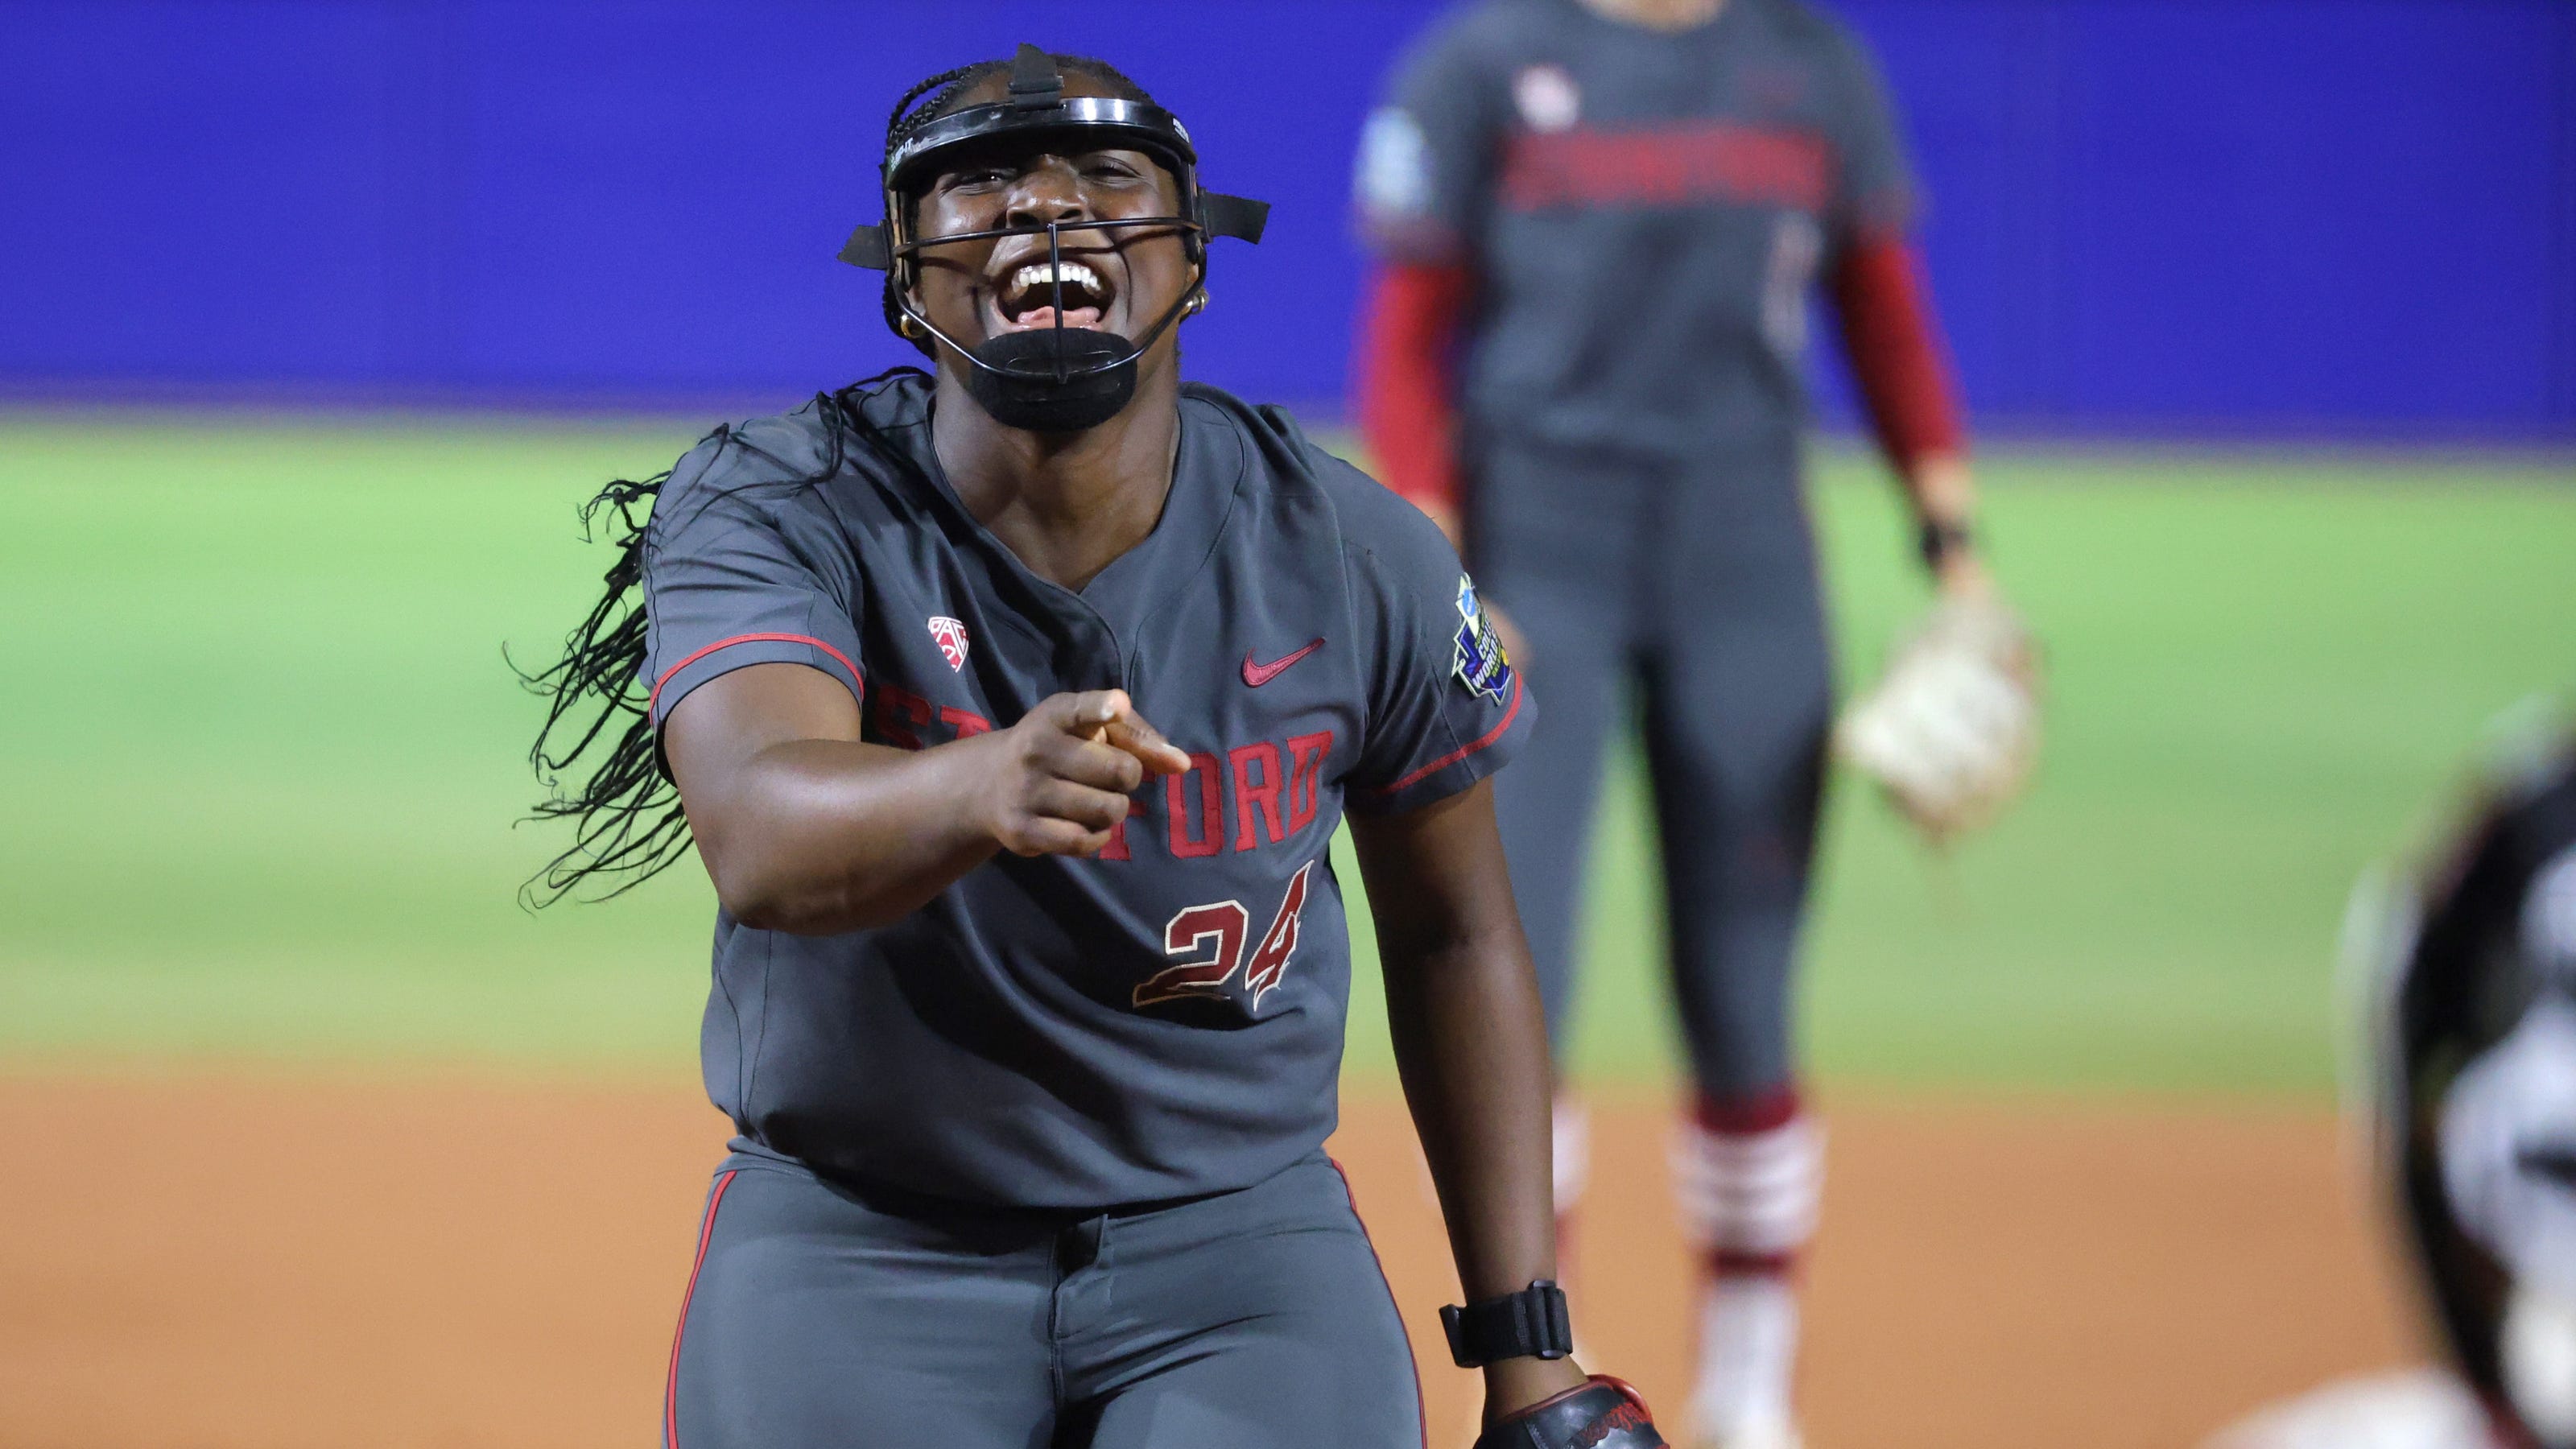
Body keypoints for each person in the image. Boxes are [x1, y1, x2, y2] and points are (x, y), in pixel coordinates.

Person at [523, 46, 1669, 1449]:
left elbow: (1457, 937)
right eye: (979, 184)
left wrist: (1528, 1358)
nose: (1045, 210)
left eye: (1107, 178)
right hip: (860, 1234)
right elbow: (760, 837)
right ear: (903, 270)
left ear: (1193, 254)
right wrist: (979, 782)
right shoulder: (782, 501)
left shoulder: (1353, 552)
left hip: (1239, 1248)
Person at [1352, 2, 2021, 1445]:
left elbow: (1885, 310)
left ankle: (1752, 1390)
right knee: (1515, 985)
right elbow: (1408, 340)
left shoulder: (1808, 64)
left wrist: (1952, 545)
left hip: (1744, 561)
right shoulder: (1484, 65)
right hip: (1541, 551)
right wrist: (1443, 556)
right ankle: (1547, 1372)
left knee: (1746, 994)